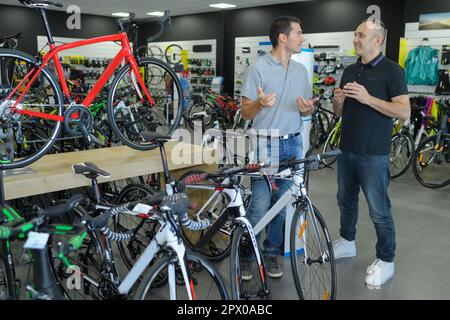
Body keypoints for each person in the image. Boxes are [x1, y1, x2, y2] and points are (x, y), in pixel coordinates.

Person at [332, 18, 410, 287]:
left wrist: (368, 98)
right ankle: (347, 242)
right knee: (345, 200)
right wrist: (338, 102)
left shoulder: (393, 71)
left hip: (374, 154)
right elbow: (340, 113)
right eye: (355, 34)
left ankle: (386, 260)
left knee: (379, 210)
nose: (355, 39)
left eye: (360, 35)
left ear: (377, 41)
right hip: (347, 150)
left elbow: (403, 112)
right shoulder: (350, 70)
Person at [240, 15, 318, 278]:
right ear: (283, 37)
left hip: (293, 143)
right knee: (261, 204)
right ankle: (247, 255)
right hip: (265, 145)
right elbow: (245, 112)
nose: (302, 37)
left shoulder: (301, 71)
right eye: (299, 32)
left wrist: (307, 109)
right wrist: (259, 104)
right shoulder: (258, 69)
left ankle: (271, 253)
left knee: (282, 205)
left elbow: (304, 106)